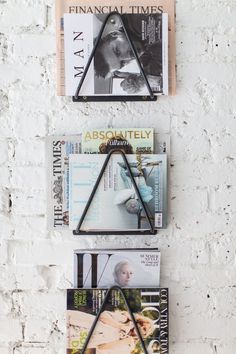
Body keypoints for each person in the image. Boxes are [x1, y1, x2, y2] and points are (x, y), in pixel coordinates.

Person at [67, 309, 156, 354]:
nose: (141, 327)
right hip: (82, 322)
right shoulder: (125, 320)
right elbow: (103, 316)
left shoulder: (129, 346)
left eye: (144, 329)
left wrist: (123, 341)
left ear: (144, 335)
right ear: (139, 322)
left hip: (82, 339)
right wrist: (121, 326)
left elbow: (102, 348)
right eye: (142, 324)